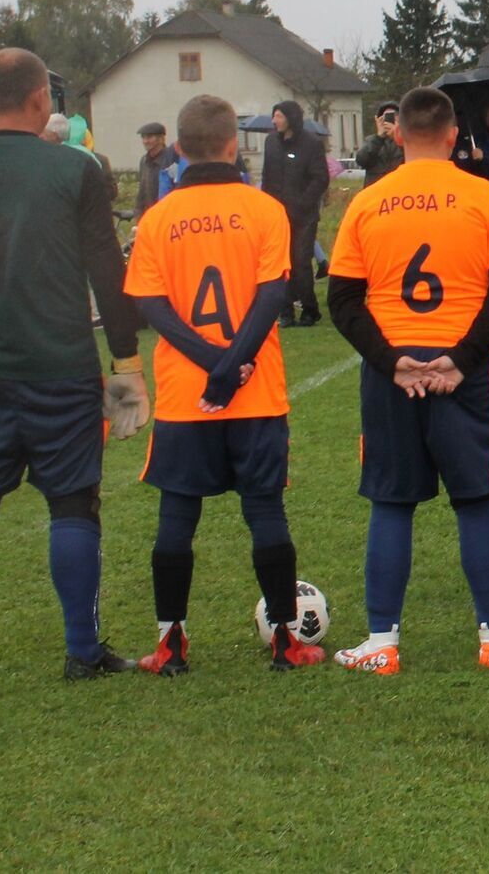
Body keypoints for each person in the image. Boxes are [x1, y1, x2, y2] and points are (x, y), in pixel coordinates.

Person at [0, 48, 150, 685]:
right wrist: (126, 361)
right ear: (43, 99)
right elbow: (107, 269)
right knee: (73, 506)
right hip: (63, 369)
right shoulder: (76, 172)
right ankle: (81, 650)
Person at [325, 86, 489, 674]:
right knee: (475, 501)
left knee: (391, 503)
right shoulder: (482, 195)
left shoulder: (369, 201)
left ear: (397, 135)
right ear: (451, 137)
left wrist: (391, 361)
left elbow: (341, 298)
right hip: (458, 372)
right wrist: (463, 358)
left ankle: (382, 644)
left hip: (393, 372)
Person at [123, 94, 322, 675]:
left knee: (176, 517)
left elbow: (150, 308)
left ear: (180, 149)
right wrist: (233, 363)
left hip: (188, 397)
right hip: (254, 390)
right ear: (235, 145)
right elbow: (271, 296)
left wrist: (209, 363)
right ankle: (288, 642)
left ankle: (170, 644)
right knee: (265, 512)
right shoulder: (263, 210)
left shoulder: (156, 219)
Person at [261, 99, 327, 326]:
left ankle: (310, 310)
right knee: (281, 263)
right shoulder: (271, 143)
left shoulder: (311, 144)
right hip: (277, 215)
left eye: (278, 116)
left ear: (290, 118)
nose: (274, 120)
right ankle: (285, 312)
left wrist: (302, 203)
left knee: (300, 261)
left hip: (304, 215)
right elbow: (267, 177)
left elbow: (320, 178)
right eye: (274, 116)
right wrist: (266, 206)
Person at [134, 121, 180, 220]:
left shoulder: (171, 160)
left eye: (149, 137)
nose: (145, 141)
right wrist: (138, 215)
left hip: (167, 216)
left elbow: (177, 189)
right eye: (143, 137)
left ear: (161, 139)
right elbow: (142, 191)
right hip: (149, 216)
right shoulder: (144, 161)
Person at [356, 101, 405, 185]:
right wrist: (379, 138)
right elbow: (361, 161)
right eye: (385, 117)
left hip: (399, 188)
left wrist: (397, 135)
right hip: (375, 190)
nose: (389, 120)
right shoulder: (372, 141)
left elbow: (412, 159)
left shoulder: (407, 141)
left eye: (393, 117)